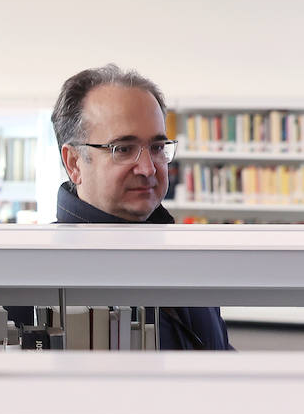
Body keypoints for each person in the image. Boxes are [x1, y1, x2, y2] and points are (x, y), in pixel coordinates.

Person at [51, 64, 231, 350]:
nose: (148, 168)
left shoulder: (183, 256)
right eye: (123, 149)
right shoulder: (38, 277)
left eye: (157, 147)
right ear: (74, 163)